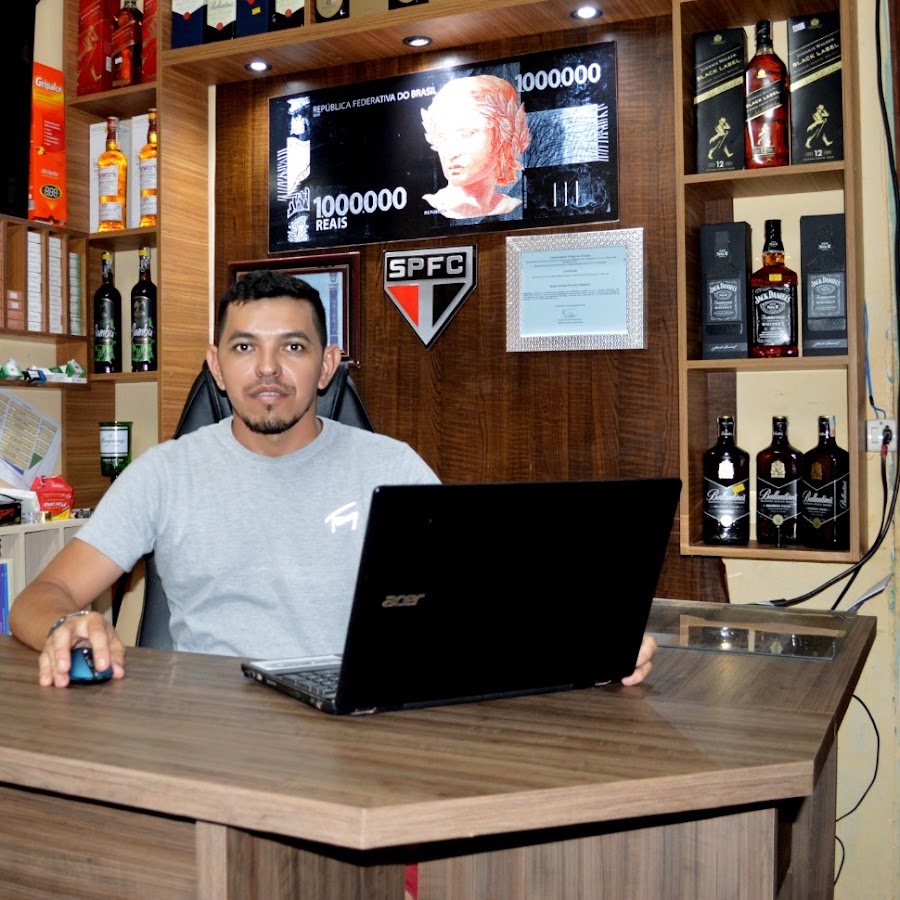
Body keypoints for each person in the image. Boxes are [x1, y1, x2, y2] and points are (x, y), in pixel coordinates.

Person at [9, 270, 657, 688]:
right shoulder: (165, 473)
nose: (267, 368)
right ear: (216, 366)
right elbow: (40, 596)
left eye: (292, 347)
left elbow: (484, 595)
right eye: (244, 347)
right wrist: (69, 625)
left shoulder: (391, 468)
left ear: (327, 365)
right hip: (213, 728)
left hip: (357, 720)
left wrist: (592, 640)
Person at [421, 74, 532, 220]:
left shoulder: (513, 206)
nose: (450, 153)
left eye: (467, 133)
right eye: (442, 137)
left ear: (501, 136)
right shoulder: (426, 206)